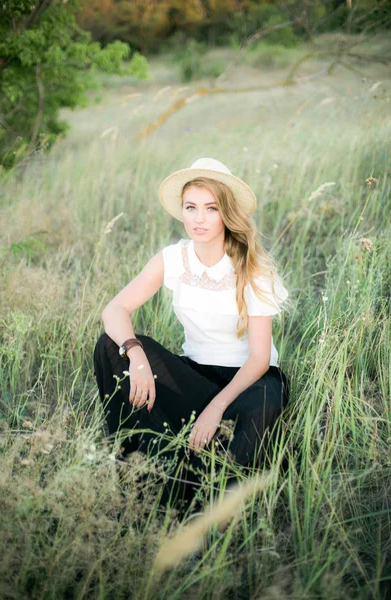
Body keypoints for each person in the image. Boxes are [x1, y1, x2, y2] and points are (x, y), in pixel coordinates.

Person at [93, 157, 290, 511]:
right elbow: (114, 310)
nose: (199, 218)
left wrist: (216, 408)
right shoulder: (174, 259)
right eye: (191, 207)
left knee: (265, 405)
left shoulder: (253, 267)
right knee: (111, 345)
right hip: (195, 373)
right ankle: (144, 474)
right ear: (181, 211)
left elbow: (260, 358)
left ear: (226, 213)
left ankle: (206, 502)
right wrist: (135, 354)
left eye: (211, 208)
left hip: (249, 382)